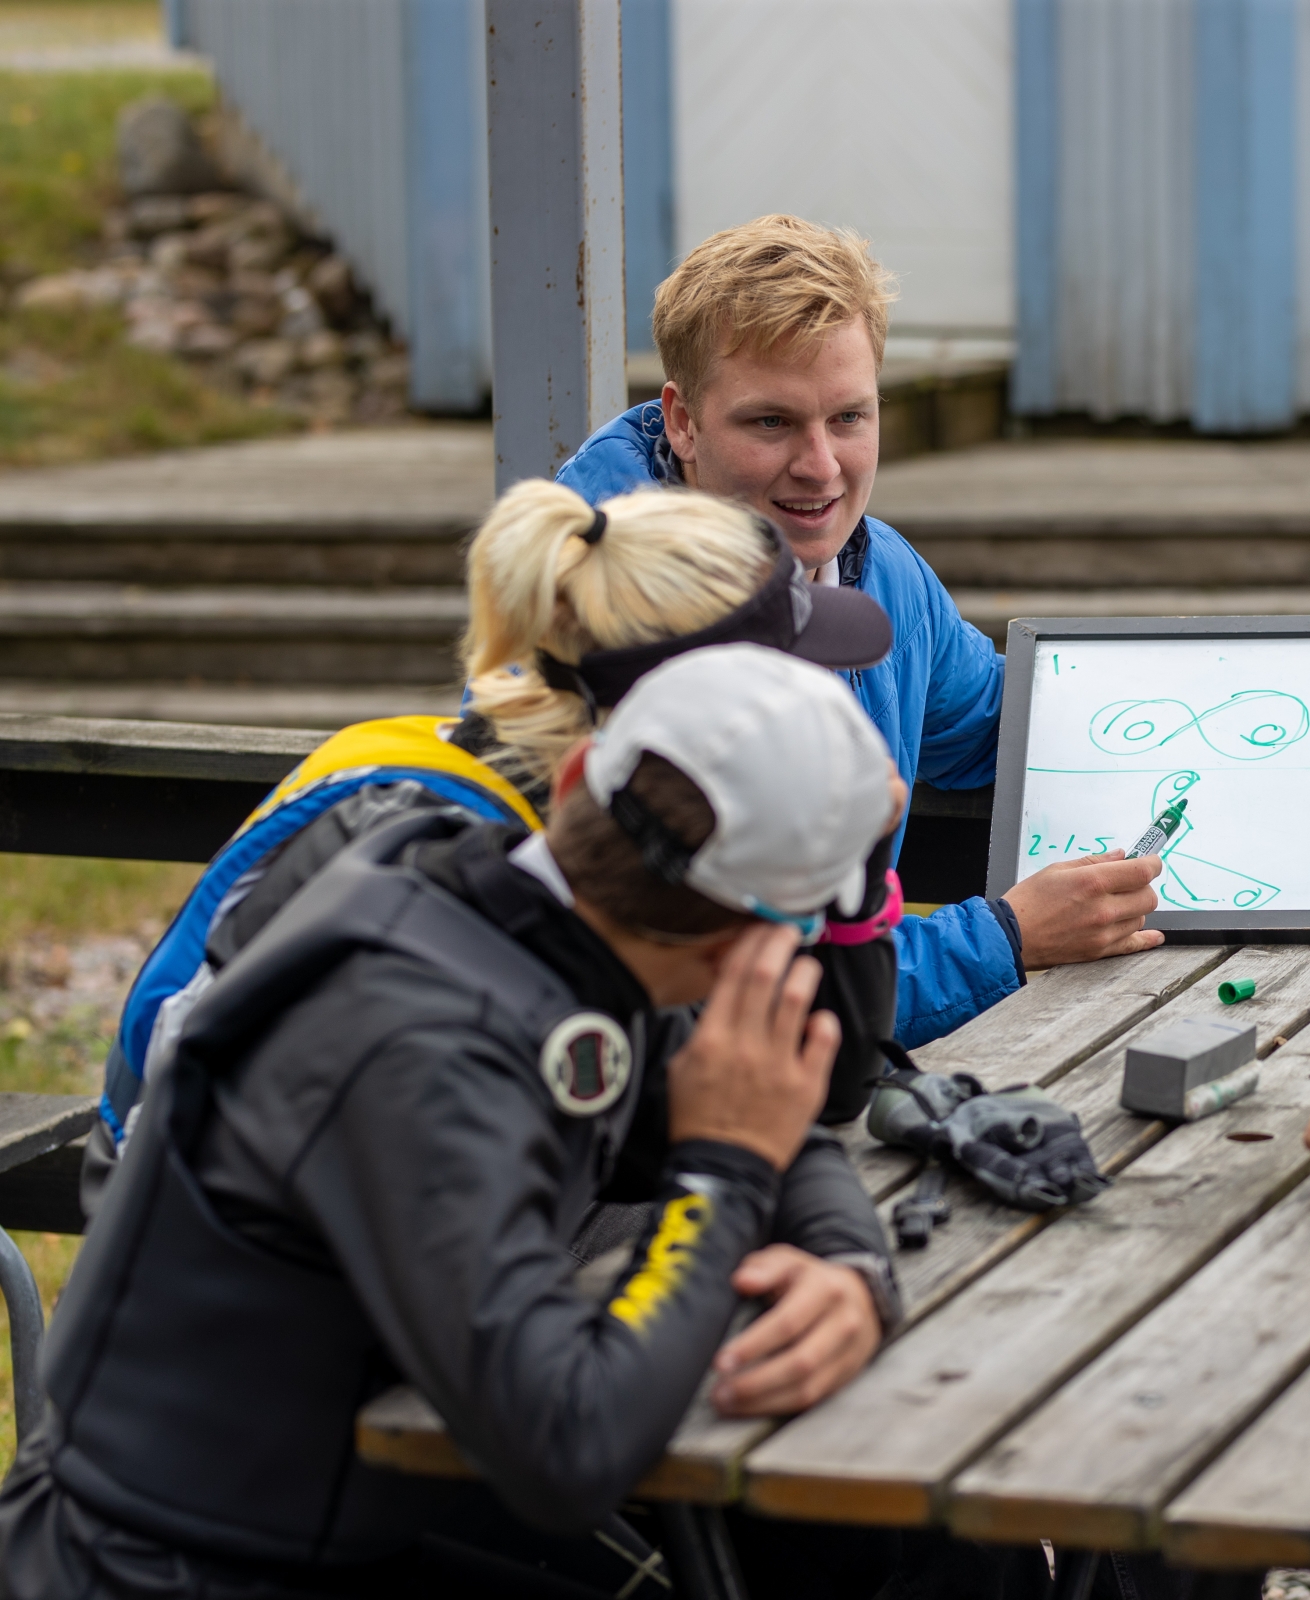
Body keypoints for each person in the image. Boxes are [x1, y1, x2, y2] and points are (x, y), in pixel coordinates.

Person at [0, 646, 923, 1597]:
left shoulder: (566, 918)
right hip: (162, 1556)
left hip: (332, 1498)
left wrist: (851, 1271)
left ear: (577, 778)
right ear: (759, 940)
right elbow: (570, 1442)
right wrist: (722, 1178)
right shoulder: (416, 1035)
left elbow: (774, 1118)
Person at [91, 480, 908, 1445]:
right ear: (675, 719)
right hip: (245, 1391)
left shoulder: (582, 833)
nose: (819, 709)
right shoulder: (441, 871)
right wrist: (731, 1179)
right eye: (789, 691)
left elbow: (776, 1095)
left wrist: (850, 1265)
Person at [557, 215, 1162, 1047]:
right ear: (684, 423)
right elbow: (726, 998)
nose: (820, 466)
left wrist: (1209, 706)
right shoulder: (616, 641)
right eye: (771, 423)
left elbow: (995, 727)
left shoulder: (880, 572)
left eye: (849, 417)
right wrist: (1005, 938)